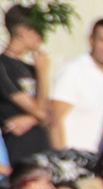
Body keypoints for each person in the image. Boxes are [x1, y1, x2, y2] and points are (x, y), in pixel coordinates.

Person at [50, 17, 103, 155]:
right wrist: (61, 158)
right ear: (91, 40)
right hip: (76, 158)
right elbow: (54, 119)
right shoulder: (73, 71)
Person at [0, 6, 50, 166]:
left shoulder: (29, 68)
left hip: (41, 148)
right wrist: (42, 73)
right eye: (36, 31)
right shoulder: (3, 67)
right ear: (22, 31)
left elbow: (50, 114)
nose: (40, 37)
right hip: (19, 151)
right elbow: (41, 112)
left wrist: (30, 119)